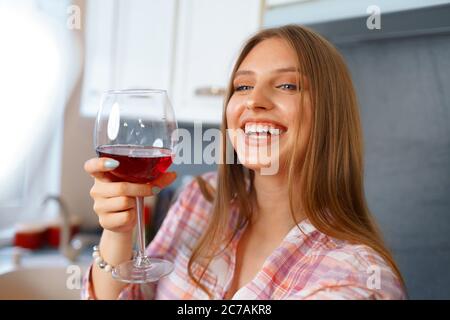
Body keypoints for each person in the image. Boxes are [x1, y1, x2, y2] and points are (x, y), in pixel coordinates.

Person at [82, 24, 406, 300]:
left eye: (287, 85)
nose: (254, 100)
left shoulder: (356, 280)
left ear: (331, 115)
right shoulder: (201, 198)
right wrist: (118, 233)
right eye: (244, 86)